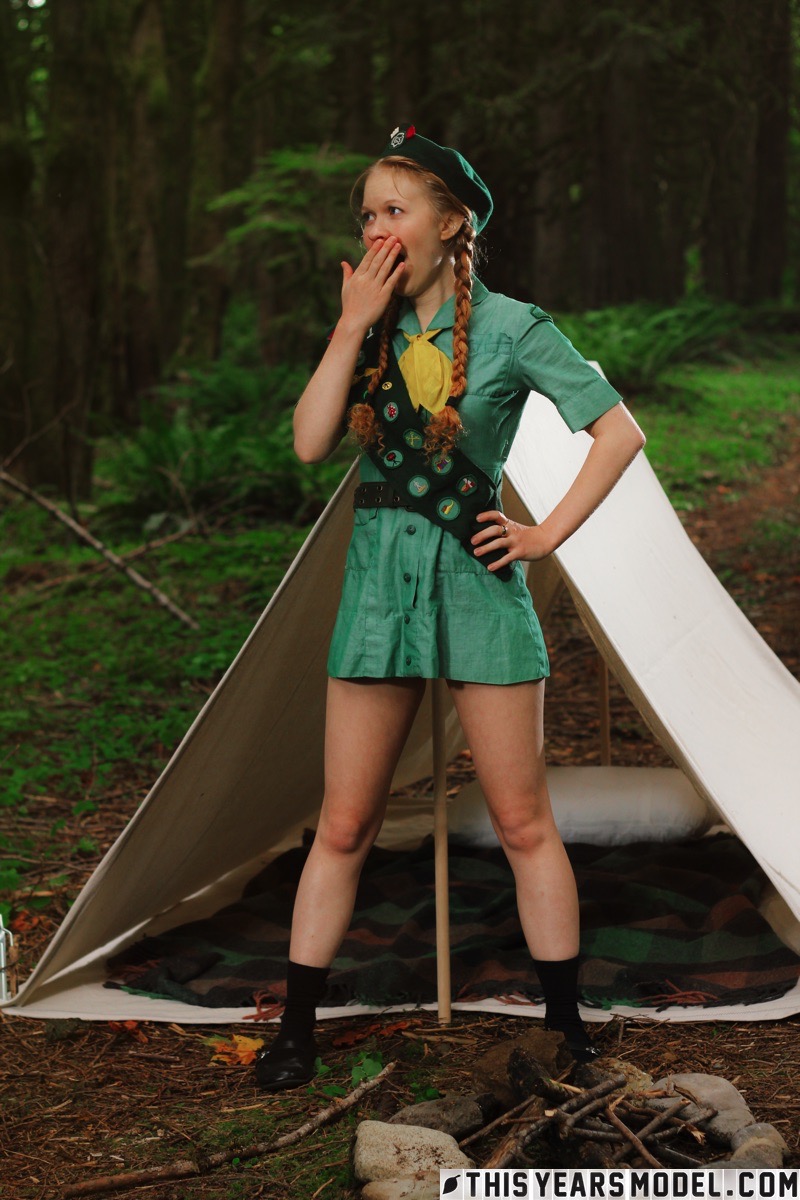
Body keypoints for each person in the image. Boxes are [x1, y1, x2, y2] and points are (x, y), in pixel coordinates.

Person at [255, 126, 645, 1091]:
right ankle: (295, 1031)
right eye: (366, 214)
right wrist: (350, 325)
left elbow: (619, 432)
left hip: (478, 588)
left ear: (451, 222)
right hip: (377, 592)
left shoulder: (515, 327)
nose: (375, 230)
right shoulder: (369, 322)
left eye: (394, 210)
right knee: (344, 823)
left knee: (523, 822)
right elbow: (309, 443)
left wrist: (544, 536)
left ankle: (568, 1030)